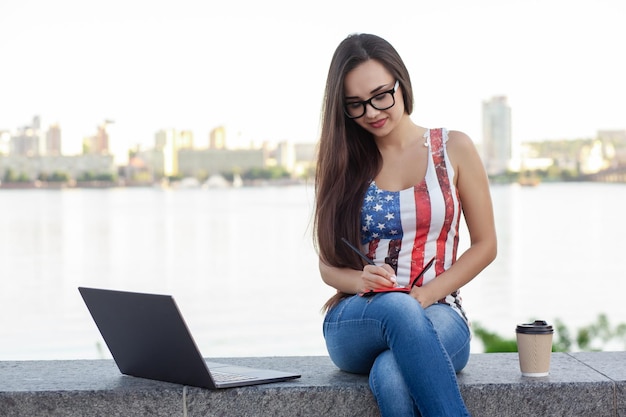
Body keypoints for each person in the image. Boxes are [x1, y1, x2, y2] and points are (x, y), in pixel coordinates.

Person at [313, 33, 497, 417]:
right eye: (356, 105)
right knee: (396, 309)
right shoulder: (343, 163)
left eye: (381, 95)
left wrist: (426, 296)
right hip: (358, 317)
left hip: (441, 311)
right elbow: (327, 264)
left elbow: (485, 245)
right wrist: (361, 281)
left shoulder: (454, 149)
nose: (373, 111)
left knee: (392, 373)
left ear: (401, 82)